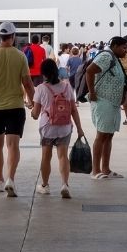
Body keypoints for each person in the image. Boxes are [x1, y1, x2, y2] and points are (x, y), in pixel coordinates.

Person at [0, 21, 35, 196]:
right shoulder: (20, 56)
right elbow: (27, 83)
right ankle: (11, 178)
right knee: (13, 145)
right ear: (13, 36)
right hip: (15, 107)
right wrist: (33, 103)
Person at [31, 57, 86, 198]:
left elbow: (36, 114)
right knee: (62, 156)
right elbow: (74, 110)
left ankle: (44, 185)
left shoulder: (41, 88)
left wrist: (32, 111)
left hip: (47, 128)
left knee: (46, 157)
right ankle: (64, 184)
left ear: (43, 73)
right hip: (64, 127)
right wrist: (79, 129)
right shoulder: (67, 87)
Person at [85, 35, 127, 179]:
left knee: (109, 135)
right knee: (102, 135)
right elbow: (90, 71)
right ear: (115, 46)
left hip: (112, 103)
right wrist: (91, 92)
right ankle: (95, 170)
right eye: (124, 47)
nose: (126, 50)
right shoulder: (106, 56)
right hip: (103, 100)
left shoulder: (114, 58)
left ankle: (106, 169)